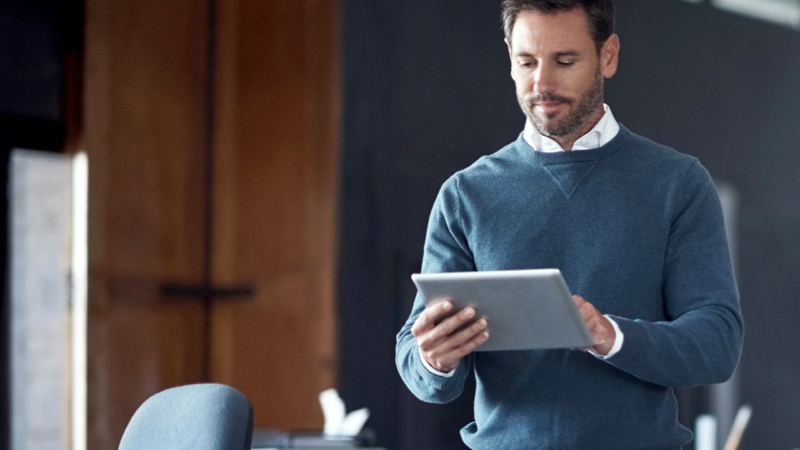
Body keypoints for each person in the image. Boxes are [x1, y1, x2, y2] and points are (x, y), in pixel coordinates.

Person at [395, 0, 744, 448]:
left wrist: (610, 336)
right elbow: (418, 360)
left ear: (608, 55)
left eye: (564, 61)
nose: (542, 82)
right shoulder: (466, 195)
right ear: (509, 59)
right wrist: (432, 359)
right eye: (526, 61)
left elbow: (716, 345)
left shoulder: (677, 184)